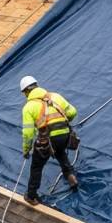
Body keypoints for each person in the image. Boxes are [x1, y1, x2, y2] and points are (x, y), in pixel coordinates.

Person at [20, 76, 79, 205]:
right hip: (65, 135)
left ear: (26, 92)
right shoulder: (55, 97)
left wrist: (26, 150)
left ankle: (31, 195)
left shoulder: (29, 107)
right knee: (60, 153)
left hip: (47, 140)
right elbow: (73, 112)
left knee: (37, 166)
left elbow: (28, 133)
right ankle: (71, 177)